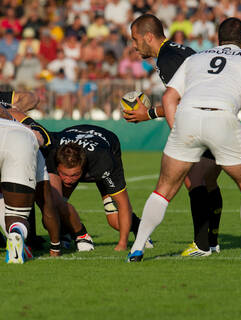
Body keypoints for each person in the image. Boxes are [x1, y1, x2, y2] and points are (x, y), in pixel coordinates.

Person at [127, 17, 241, 265]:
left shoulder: (194, 58)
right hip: (222, 118)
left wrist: (179, 134)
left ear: (218, 40)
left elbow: (169, 99)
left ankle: (137, 249)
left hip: (188, 117)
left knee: (165, 187)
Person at [124, 13, 223, 256]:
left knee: (193, 179)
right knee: (208, 180)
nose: (134, 46)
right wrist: (149, 113)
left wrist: (178, 133)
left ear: (149, 36)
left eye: (135, 40)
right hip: (219, 117)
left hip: (201, 120)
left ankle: (201, 246)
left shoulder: (167, 59)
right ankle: (211, 241)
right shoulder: (179, 51)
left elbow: (179, 99)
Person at [9, 110, 153, 252]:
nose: (68, 180)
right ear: (58, 165)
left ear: (83, 168)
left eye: (74, 175)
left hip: (107, 144)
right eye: (64, 174)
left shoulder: (104, 162)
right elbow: (21, 116)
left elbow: (124, 204)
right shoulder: (51, 148)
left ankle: (140, 228)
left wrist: (122, 244)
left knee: (115, 220)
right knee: (53, 208)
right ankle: (72, 234)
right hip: (72, 134)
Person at [0, 109, 60, 263]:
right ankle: (16, 233)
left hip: (19, 135)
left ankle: (14, 237)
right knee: (17, 216)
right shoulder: (29, 134)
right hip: (21, 140)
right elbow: (47, 204)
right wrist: (55, 247)